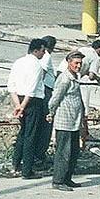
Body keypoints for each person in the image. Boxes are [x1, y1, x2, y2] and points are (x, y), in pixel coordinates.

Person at [9, 39, 48, 180]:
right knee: (31, 136)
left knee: (23, 133)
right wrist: (23, 107)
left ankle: (15, 164)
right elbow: (31, 90)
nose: (44, 53)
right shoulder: (36, 65)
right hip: (32, 102)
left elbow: (11, 85)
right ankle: (27, 170)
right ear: (36, 50)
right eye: (43, 50)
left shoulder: (18, 62)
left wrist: (17, 105)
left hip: (19, 99)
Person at [47, 51, 85, 191]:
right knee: (63, 152)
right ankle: (58, 181)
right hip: (65, 121)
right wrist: (50, 113)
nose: (78, 66)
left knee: (74, 151)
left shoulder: (75, 77)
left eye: (80, 63)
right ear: (69, 62)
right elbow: (54, 99)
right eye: (76, 63)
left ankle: (67, 178)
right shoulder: (64, 79)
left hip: (74, 122)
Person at [57, 39, 100, 114]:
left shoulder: (83, 49)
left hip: (60, 71)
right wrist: (97, 78)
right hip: (70, 78)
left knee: (58, 97)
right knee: (77, 105)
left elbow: (84, 67)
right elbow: (91, 76)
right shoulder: (96, 58)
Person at [37, 35, 58, 165]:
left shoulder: (38, 56)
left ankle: (38, 153)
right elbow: (43, 72)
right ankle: (40, 154)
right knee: (46, 123)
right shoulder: (46, 56)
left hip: (42, 90)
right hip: (46, 90)